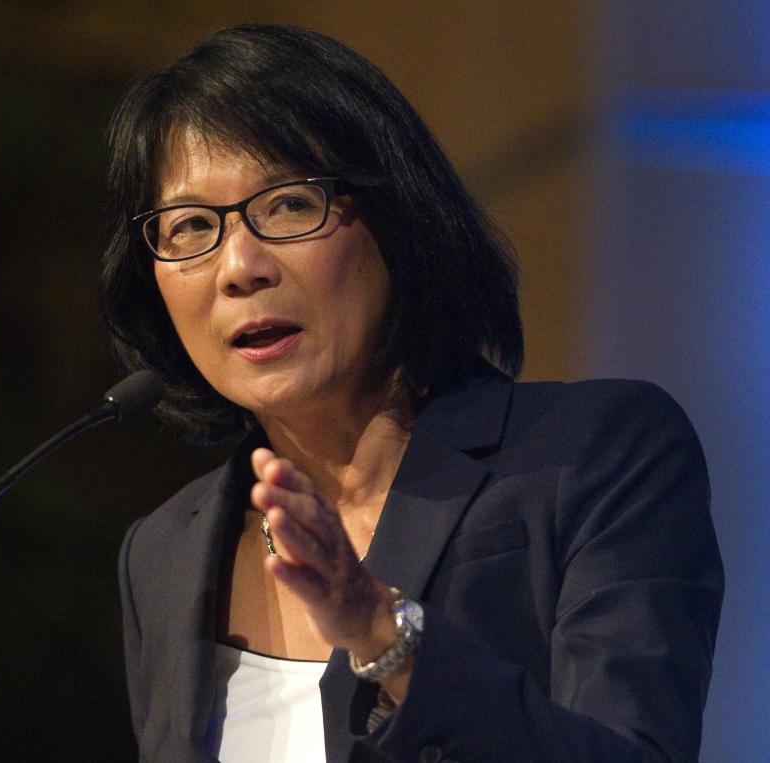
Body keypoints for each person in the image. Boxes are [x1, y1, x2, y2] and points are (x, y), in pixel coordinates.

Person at [102, 24, 723, 763]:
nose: (239, 265)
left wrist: (383, 632)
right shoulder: (164, 553)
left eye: (290, 205)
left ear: (396, 219)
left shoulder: (595, 458)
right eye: (192, 225)